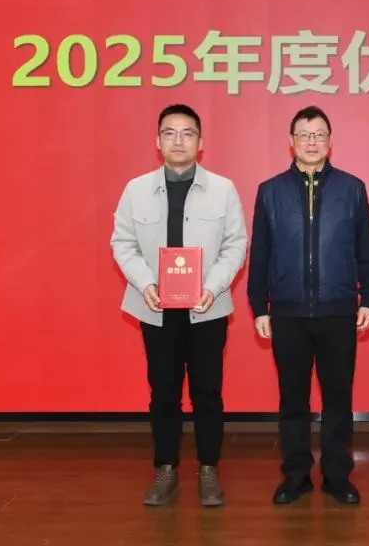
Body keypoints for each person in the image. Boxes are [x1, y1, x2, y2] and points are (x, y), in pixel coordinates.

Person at [110, 104, 248, 508]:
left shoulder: (223, 189)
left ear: (200, 143)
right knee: (164, 392)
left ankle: (209, 469)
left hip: (207, 307)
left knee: (208, 392)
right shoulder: (136, 190)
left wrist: (212, 286)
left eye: (188, 133)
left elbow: (236, 244)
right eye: (169, 133)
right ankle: (166, 469)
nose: (178, 141)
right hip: (156, 308)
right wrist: (146, 283)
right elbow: (122, 243)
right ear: (157, 142)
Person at [247, 105, 369, 506]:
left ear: (330, 141)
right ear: (291, 141)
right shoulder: (270, 191)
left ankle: (337, 475)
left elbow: (366, 248)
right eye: (304, 135)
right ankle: (296, 476)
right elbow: (261, 253)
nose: (311, 141)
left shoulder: (352, 188)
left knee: (338, 399)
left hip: (338, 310)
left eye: (319, 134)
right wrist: (259, 306)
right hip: (287, 311)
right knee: (292, 400)